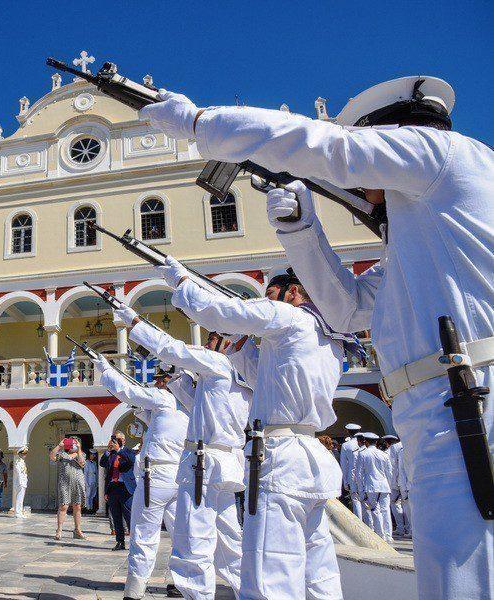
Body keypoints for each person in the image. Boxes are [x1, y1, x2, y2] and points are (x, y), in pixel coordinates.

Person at [142, 76, 493, 600]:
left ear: (392, 138)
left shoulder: (442, 153)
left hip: (464, 403)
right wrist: (301, 229)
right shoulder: (417, 240)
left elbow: (330, 148)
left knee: (460, 580)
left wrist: (199, 125)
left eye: (365, 175)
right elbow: (348, 309)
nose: (359, 191)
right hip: (437, 407)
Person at [155, 257, 347, 598]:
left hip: (281, 457)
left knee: (269, 571)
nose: (268, 300)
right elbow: (267, 382)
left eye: (272, 293)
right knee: (319, 572)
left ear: (294, 292)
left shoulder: (289, 316)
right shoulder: (328, 337)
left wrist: (180, 281)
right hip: (310, 455)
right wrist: (242, 348)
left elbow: (219, 312)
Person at [119, 305, 250, 600]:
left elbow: (170, 348)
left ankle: (197, 595)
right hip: (228, 464)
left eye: (213, 337)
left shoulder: (217, 364)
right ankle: (249, 592)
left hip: (204, 464)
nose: (206, 343)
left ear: (227, 341)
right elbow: (195, 401)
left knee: (194, 542)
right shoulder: (245, 375)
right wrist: (176, 378)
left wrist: (134, 320)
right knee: (230, 541)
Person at [98, 355, 189, 600]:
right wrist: (141, 411)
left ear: (169, 381)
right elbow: (160, 423)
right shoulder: (189, 406)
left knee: (144, 535)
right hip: (179, 476)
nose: (157, 384)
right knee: (181, 533)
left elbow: (127, 391)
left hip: (155, 477)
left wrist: (105, 370)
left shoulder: (164, 397)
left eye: (161, 380)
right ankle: (180, 583)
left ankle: (134, 590)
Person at [100, 432, 135, 550]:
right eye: (115, 439)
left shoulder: (128, 451)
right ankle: (120, 542)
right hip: (113, 488)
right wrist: (109, 450)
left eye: (119, 439)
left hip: (125, 488)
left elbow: (131, 461)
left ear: (124, 440)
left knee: (129, 516)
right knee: (116, 517)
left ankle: (134, 542)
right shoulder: (112, 453)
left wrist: (119, 450)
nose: (117, 441)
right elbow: (102, 464)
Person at [50, 437, 87, 541]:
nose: (73, 445)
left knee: (77, 506)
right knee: (63, 506)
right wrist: (59, 446)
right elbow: (52, 457)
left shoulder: (82, 454)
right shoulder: (62, 455)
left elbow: (82, 463)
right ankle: (59, 530)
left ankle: (77, 530)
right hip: (65, 484)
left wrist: (79, 449)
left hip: (77, 484)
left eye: (75, 443)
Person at [360, 433, 394, 541]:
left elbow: (360, 474)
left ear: (366, 441)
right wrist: (389, 484)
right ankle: (388, 535)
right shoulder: (384, 455)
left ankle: (380, 535)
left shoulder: (363, 454)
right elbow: (389, 472)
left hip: (371, 486)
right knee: (385, 510)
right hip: (384, 485)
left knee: (375, 510)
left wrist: (361, 489)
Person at [339, 423, 363, 517]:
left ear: (348, 431)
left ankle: (360, 523)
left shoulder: (346, 445)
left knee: (356, 501)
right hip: (365, 477)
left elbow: (344, 465)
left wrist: (345, 481)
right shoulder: (364, 443)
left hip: (352, 477)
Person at [14, 446, 29, 518]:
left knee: (21, 498)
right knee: (19, 498)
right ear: (19, 454)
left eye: (25, 454)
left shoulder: (22, 462)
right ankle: (17, 513)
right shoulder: (18, 462)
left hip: (23, 482)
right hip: (20, 483)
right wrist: (21, 482)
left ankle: (20, 512)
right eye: (23, 454)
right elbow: (19, 473)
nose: (24, 455)